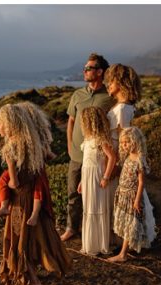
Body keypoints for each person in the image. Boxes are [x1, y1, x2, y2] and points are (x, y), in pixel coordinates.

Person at [0, 103, 70, 285]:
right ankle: (34, 275)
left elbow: (14, 182)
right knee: (28, 237)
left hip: (20, 201)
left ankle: (34, 281)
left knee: (18, 240)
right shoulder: (32, 144)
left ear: (10, 124)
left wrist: (8, 184)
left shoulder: (10, 149)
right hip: (31, 198)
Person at [61, 53, 115, 242]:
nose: (84, 71)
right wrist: (69, 145)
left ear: (100, 72)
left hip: (98, 155)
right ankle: (71, 228)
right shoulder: (78, 94)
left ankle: (96, 230)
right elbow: (71, 122)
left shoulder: (109, 96)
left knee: (96, 193)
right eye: (84, 68)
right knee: (72, 193)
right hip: (77, 153)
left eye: (88, 68)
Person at [109, 127, 157, 263]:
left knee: (130, 223)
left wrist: (136, 200)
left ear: (135, 141)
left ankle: (123, 254)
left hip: (132, 196)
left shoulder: (139, 160)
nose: (124, 145)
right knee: (125, 222)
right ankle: (127, 248)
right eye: (122, 142)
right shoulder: (128, 156)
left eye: (127, 142)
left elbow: (141, 183)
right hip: (123, 193)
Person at [77, 106, 118, 256]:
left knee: (97, 207)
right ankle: (90, 244)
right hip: (87, 176)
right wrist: (82, 181)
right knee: (88, 208)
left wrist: (106, 176)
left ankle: (100, 244)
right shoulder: (87, 139)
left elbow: (112, 157)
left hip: (97, 176)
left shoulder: (100, 139)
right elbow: (85, 162)